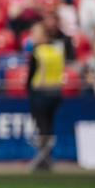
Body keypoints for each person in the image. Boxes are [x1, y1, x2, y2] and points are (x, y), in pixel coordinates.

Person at [26, 22, 65, 173]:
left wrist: (29, 90)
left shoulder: (37, 52)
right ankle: (46, 157)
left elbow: (31, 76)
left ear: (43, 36)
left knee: (42, 127)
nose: (32, 38)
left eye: (34, 34)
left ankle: (43, 159)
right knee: (48, 126)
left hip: (40, 94)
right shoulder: (57, 51)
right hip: (55, 94)